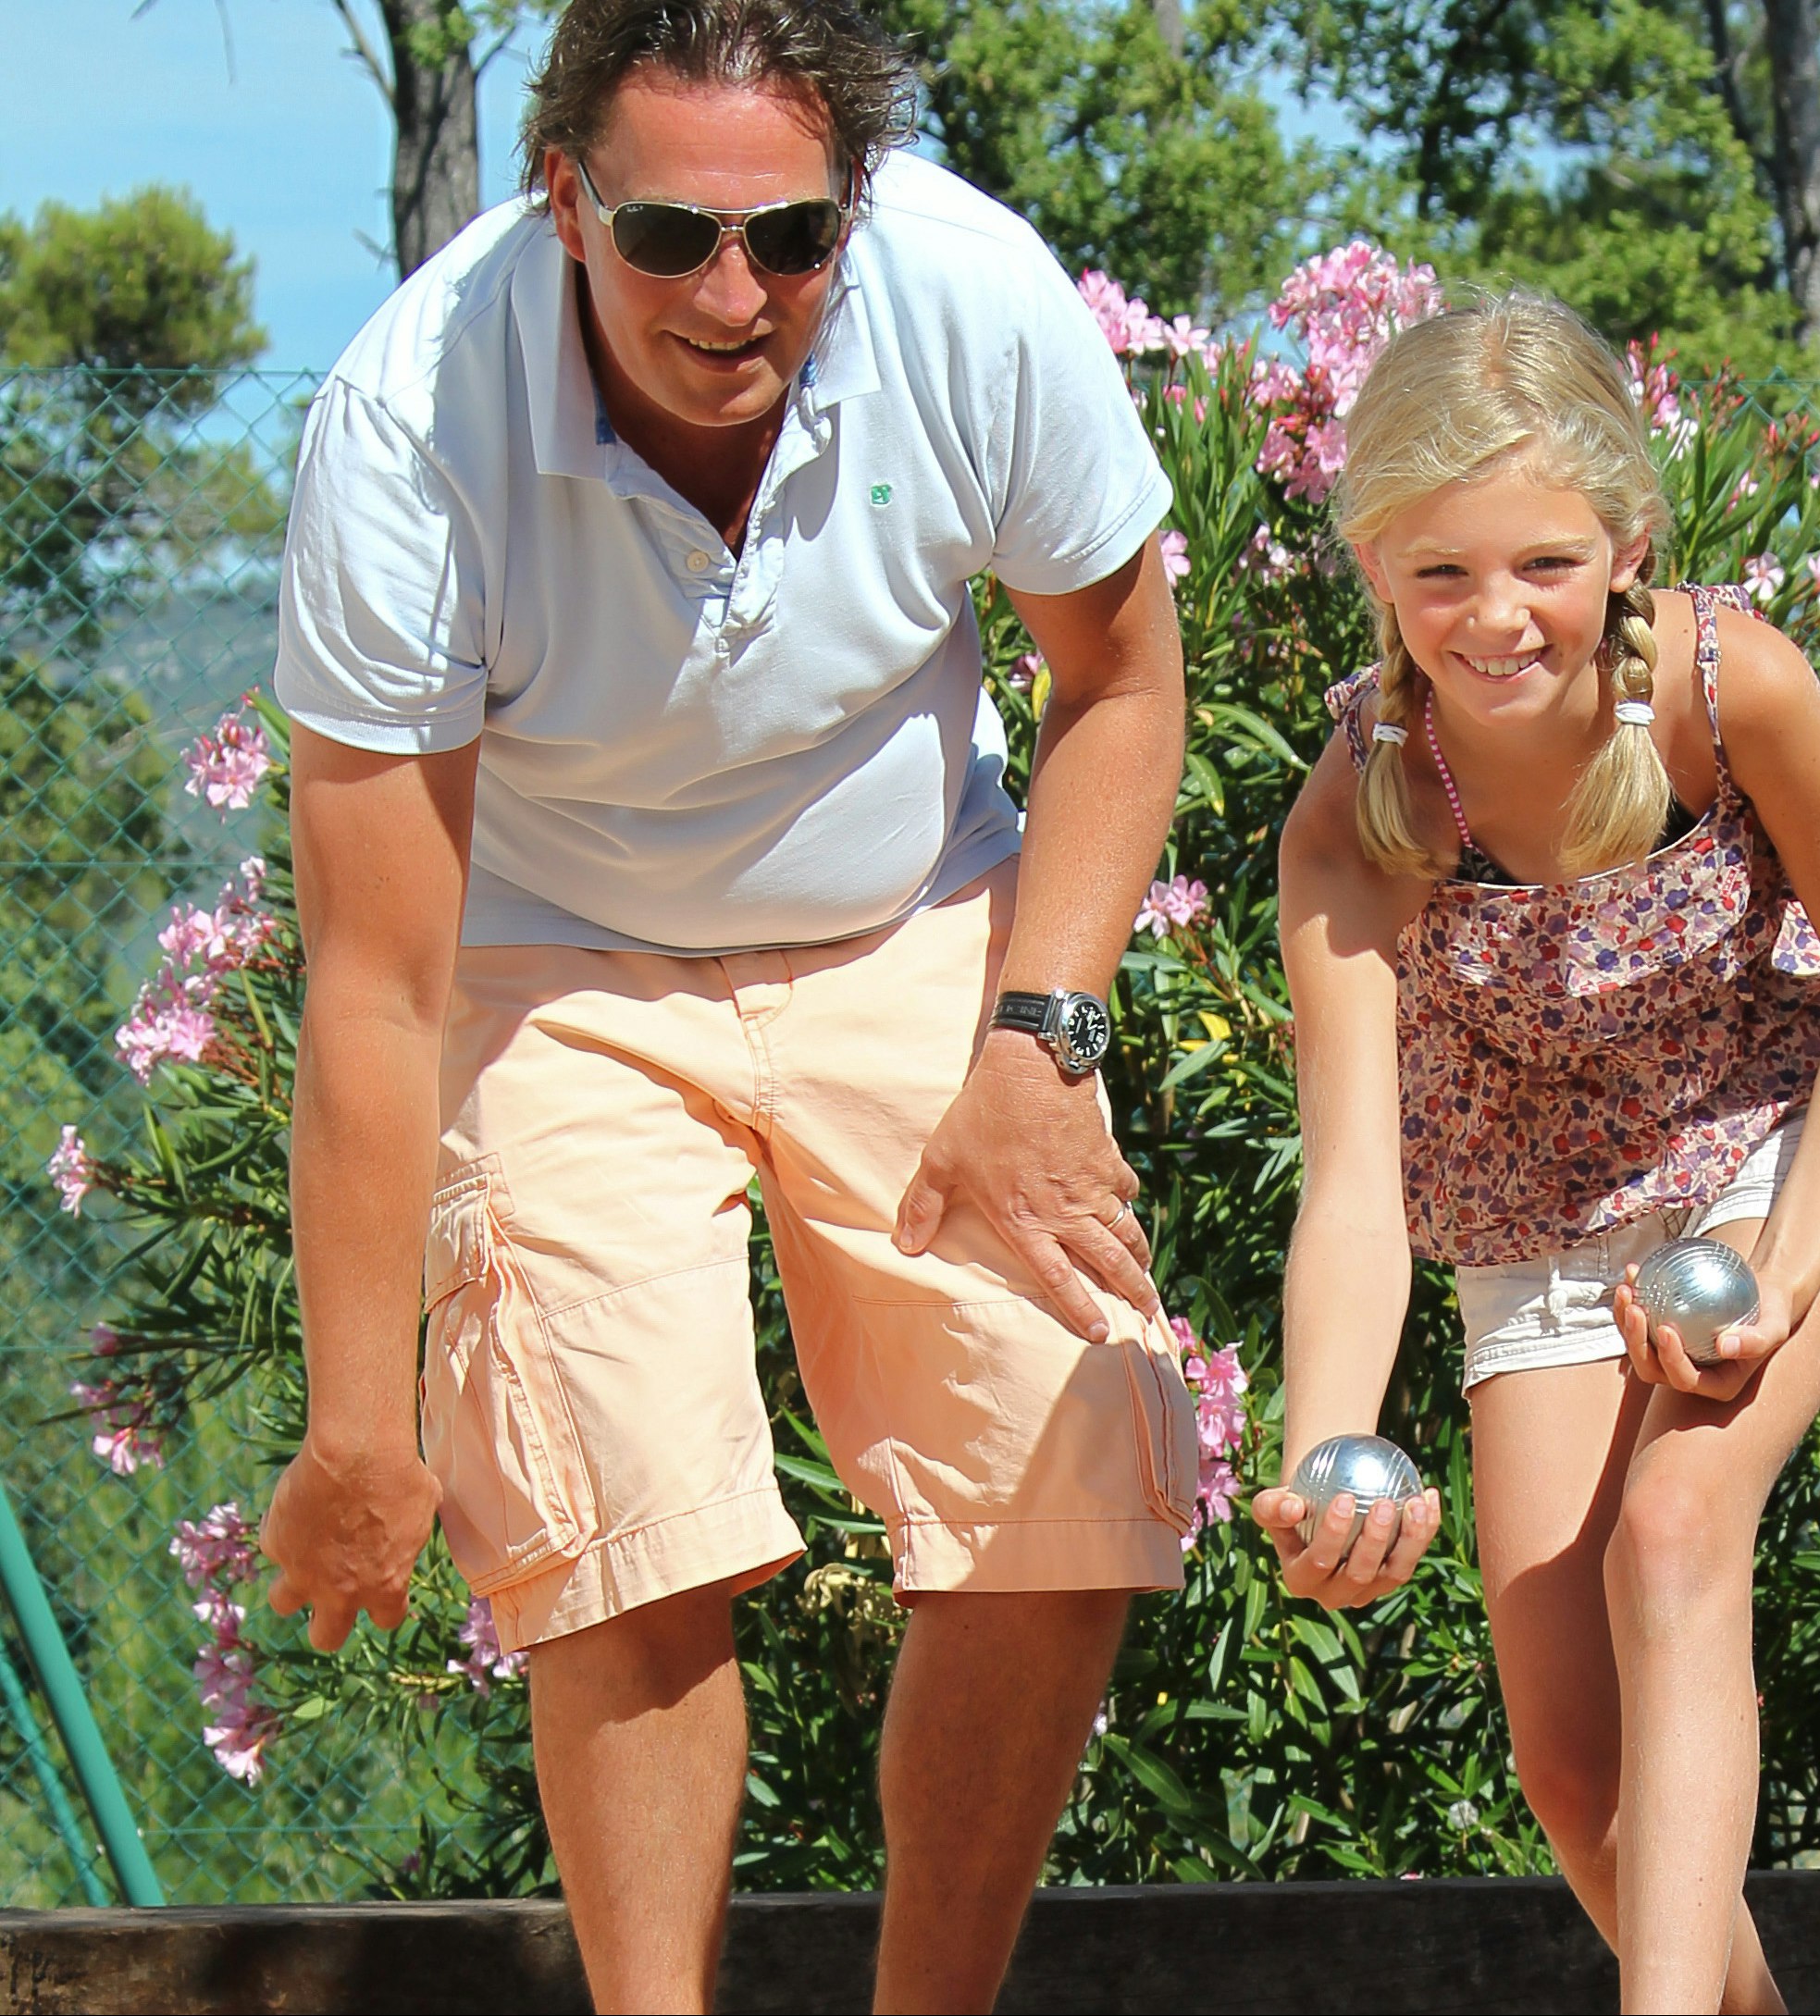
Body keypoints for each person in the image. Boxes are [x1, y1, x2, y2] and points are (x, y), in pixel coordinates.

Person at [255, 3, 1193, 2007]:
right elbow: (377, 979)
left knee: (1068, 1467)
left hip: (914, 913)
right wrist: (357, 1427)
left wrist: (1043, 1036)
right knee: (627, 1531)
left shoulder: (971, 302)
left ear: (860, 204)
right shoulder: (411, 421)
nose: (733, 293)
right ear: (564, 198)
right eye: (670, 235)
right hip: (553, 958)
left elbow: (1120, 685)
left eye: (792, 236)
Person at [1261, 291, 1820, 2014]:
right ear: (1375, 566)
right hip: (1541, 1199)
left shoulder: (1732, 693)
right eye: (1442, 572)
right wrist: (1319, 1452)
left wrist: (1783, 1276)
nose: (1496, 616)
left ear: (1629, 544)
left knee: (1674, 1525)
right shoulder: (1364, 805)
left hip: (1772, 1134)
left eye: (1546, 563)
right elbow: (1355, 1185)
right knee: (1574, 1776)